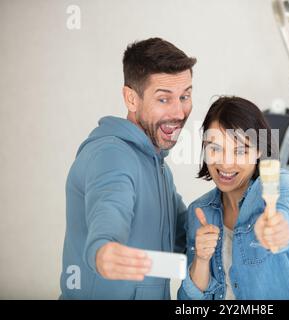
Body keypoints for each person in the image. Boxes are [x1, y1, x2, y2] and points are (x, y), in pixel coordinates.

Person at [60, 37, 196, 299]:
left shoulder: (157, 166)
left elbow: (185, 236)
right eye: (164, 99)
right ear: (131, 99)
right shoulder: (112, 155)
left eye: (185, 96)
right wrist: (104, 250)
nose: (179, 112)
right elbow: (110, 210)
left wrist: (238, 213)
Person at [178, 96, 289, 300]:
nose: (226, 163)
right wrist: (201, 259)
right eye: (215, 149)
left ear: (259, 150)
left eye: (240, 151)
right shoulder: (199, 211)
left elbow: (285, 214)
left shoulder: (278, 185)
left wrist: (277, 229)